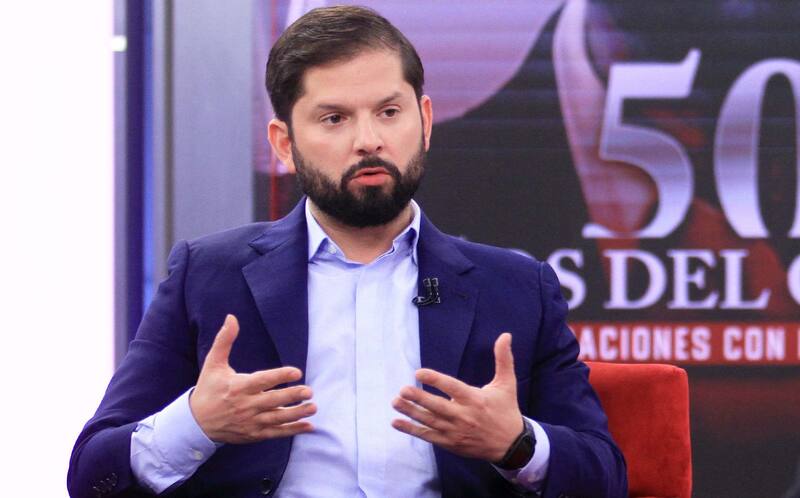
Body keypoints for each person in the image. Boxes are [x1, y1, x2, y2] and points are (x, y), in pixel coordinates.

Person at [68, 6, 626, 498]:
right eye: (335, 118)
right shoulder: (209, 276)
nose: (368, 140)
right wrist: (196, 423)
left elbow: (605, 476)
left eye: (389, 112)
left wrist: (517, 444)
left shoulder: (517, 288)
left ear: (425, 122)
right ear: (284, 143)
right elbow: (92, 473)